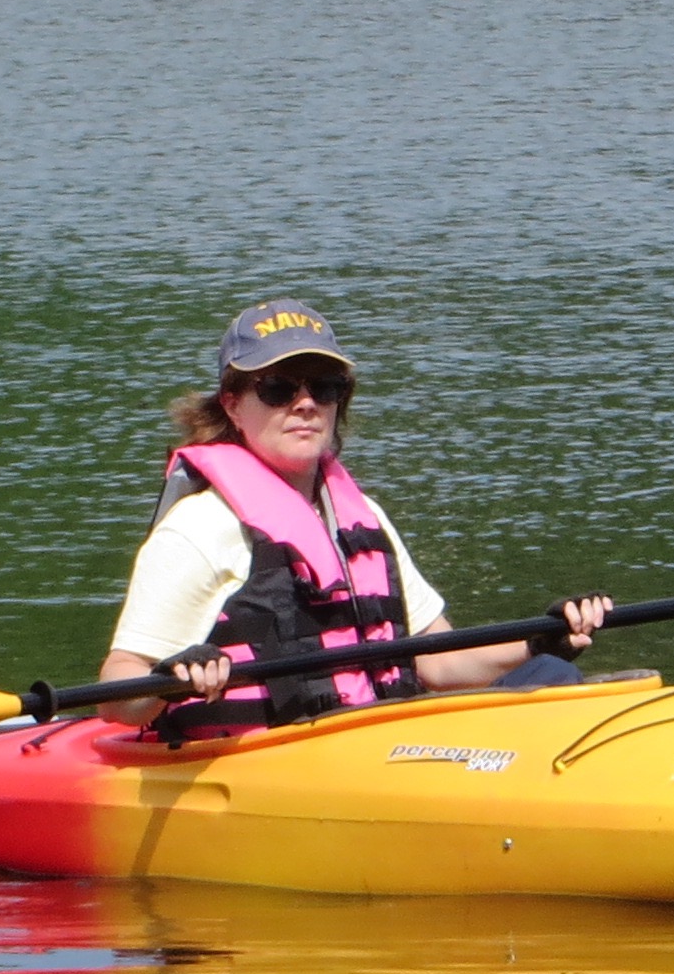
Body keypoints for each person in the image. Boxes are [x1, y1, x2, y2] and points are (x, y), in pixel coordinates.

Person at [100, 302, 614, 733]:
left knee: (547, 670)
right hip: (272, 760)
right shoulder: (199, 529)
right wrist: (173, 676)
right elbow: (116, 697)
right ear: (233, 405)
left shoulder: (360, 516)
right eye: (278, 388)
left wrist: (537, 639)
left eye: (323, 387)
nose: (305, 404)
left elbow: (436, 660)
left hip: (378, 741)